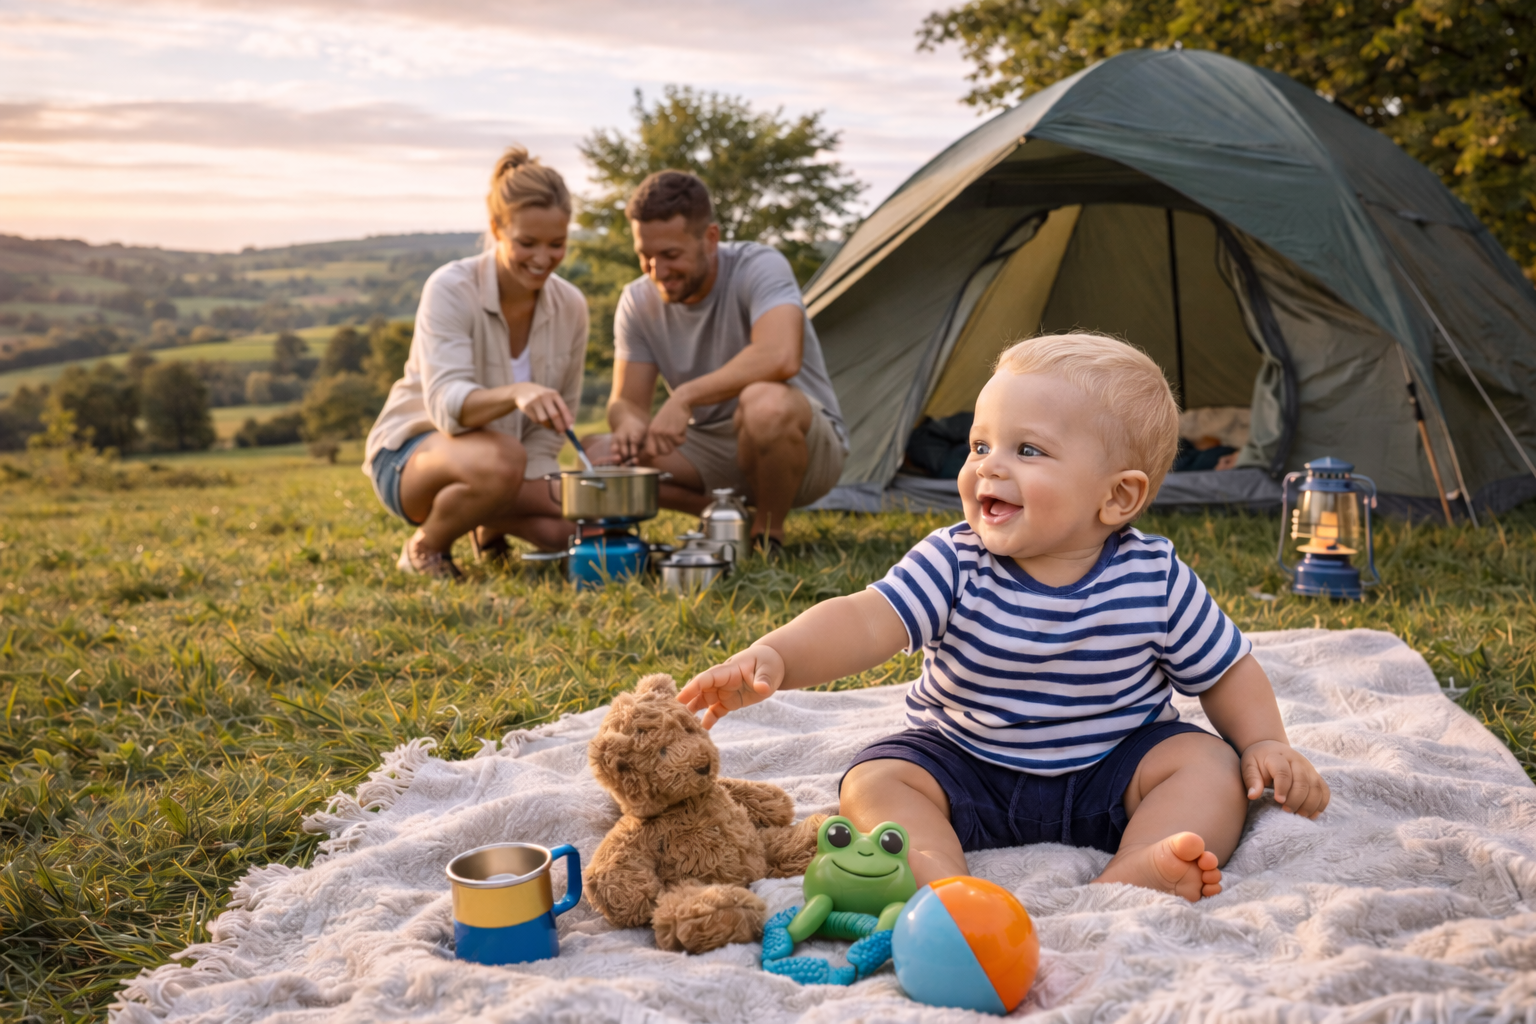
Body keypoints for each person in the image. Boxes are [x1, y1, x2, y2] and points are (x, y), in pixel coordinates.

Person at [680, 333, 1330, 902]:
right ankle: (938, 874)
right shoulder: (954, 561)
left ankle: (1142, 864)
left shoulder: (1154, 579)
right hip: (963, 762)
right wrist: (779, 657)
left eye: (1028, 450)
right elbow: (864, 619)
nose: (989, 465)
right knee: (878, 778)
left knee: (1208, 768)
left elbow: (1225, 671)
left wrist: (1265, 742)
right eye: (980, 445)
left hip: (1112, 770)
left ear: (1118, 496)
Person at [591, 170, 847, 551]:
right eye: (645, 256)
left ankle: (767, 535)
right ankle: (725, 515)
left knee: (764, 403)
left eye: (670, 255)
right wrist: (628, 423)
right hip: (708, 449)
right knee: (598, 454)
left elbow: (781, 356)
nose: (656, 271)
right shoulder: (637, 300)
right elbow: (627, 401)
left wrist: (686, 396)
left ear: (711, 238)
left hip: (801, 445)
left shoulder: (759, 265)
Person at [363, 147, 587, 579]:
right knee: (501, 459)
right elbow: (447, 408)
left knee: (575, 529)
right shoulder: (450, 287)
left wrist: (546, 488)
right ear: (496, 229)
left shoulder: (571, 305)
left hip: (507, 465)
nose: (543, 258)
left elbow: (550, 431)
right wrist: (518, 393)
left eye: (556, 244)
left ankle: (487, 521)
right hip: (412, 457)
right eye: (527, 243)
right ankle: (425, 548)